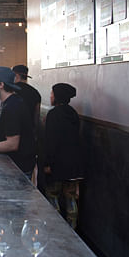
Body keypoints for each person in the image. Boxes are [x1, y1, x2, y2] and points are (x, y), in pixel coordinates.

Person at [43, 83, 84, 229]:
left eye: (52, 93)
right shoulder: (73, 113)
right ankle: (72, 228)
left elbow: (51, 141)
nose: (50, 96)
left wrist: (47, 163)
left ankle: (57, 228)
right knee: (71, 197)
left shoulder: (53, 114)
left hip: (58, 164)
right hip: (74, 164)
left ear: (57, 96)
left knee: (52, 194)